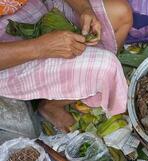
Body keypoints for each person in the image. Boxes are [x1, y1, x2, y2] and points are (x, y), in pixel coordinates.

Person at [0, 0, 133, 132]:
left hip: (37, 7)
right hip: (12, 52)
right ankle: (53, 103)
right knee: (106, 67)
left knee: (121, 13)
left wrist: (85, 9)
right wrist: (43, 47)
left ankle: (65, 94)